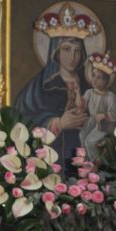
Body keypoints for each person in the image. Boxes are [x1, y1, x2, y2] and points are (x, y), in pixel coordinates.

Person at [15, 36, 89, 167]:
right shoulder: (42, 85)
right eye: (66, 49)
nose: (72, 56)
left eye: (77, 50)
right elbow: (22, 117)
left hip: (84, 161)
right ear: (56, 52)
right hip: (51, 161)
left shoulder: (89, 87)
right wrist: (58, 123)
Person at [78, 52, 116, 160]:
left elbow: (114, 115)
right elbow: (82, 105)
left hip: (104, 125)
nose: (95, 80)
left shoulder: (110, 96)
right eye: (93, 75)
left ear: (107, 81)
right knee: (82, 136)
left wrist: (103, 115)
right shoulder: (89, 93)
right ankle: (85, 161)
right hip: (91, 121)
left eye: (99, 78)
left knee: (90, 141)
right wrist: (78, 94)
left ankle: (96, 162)